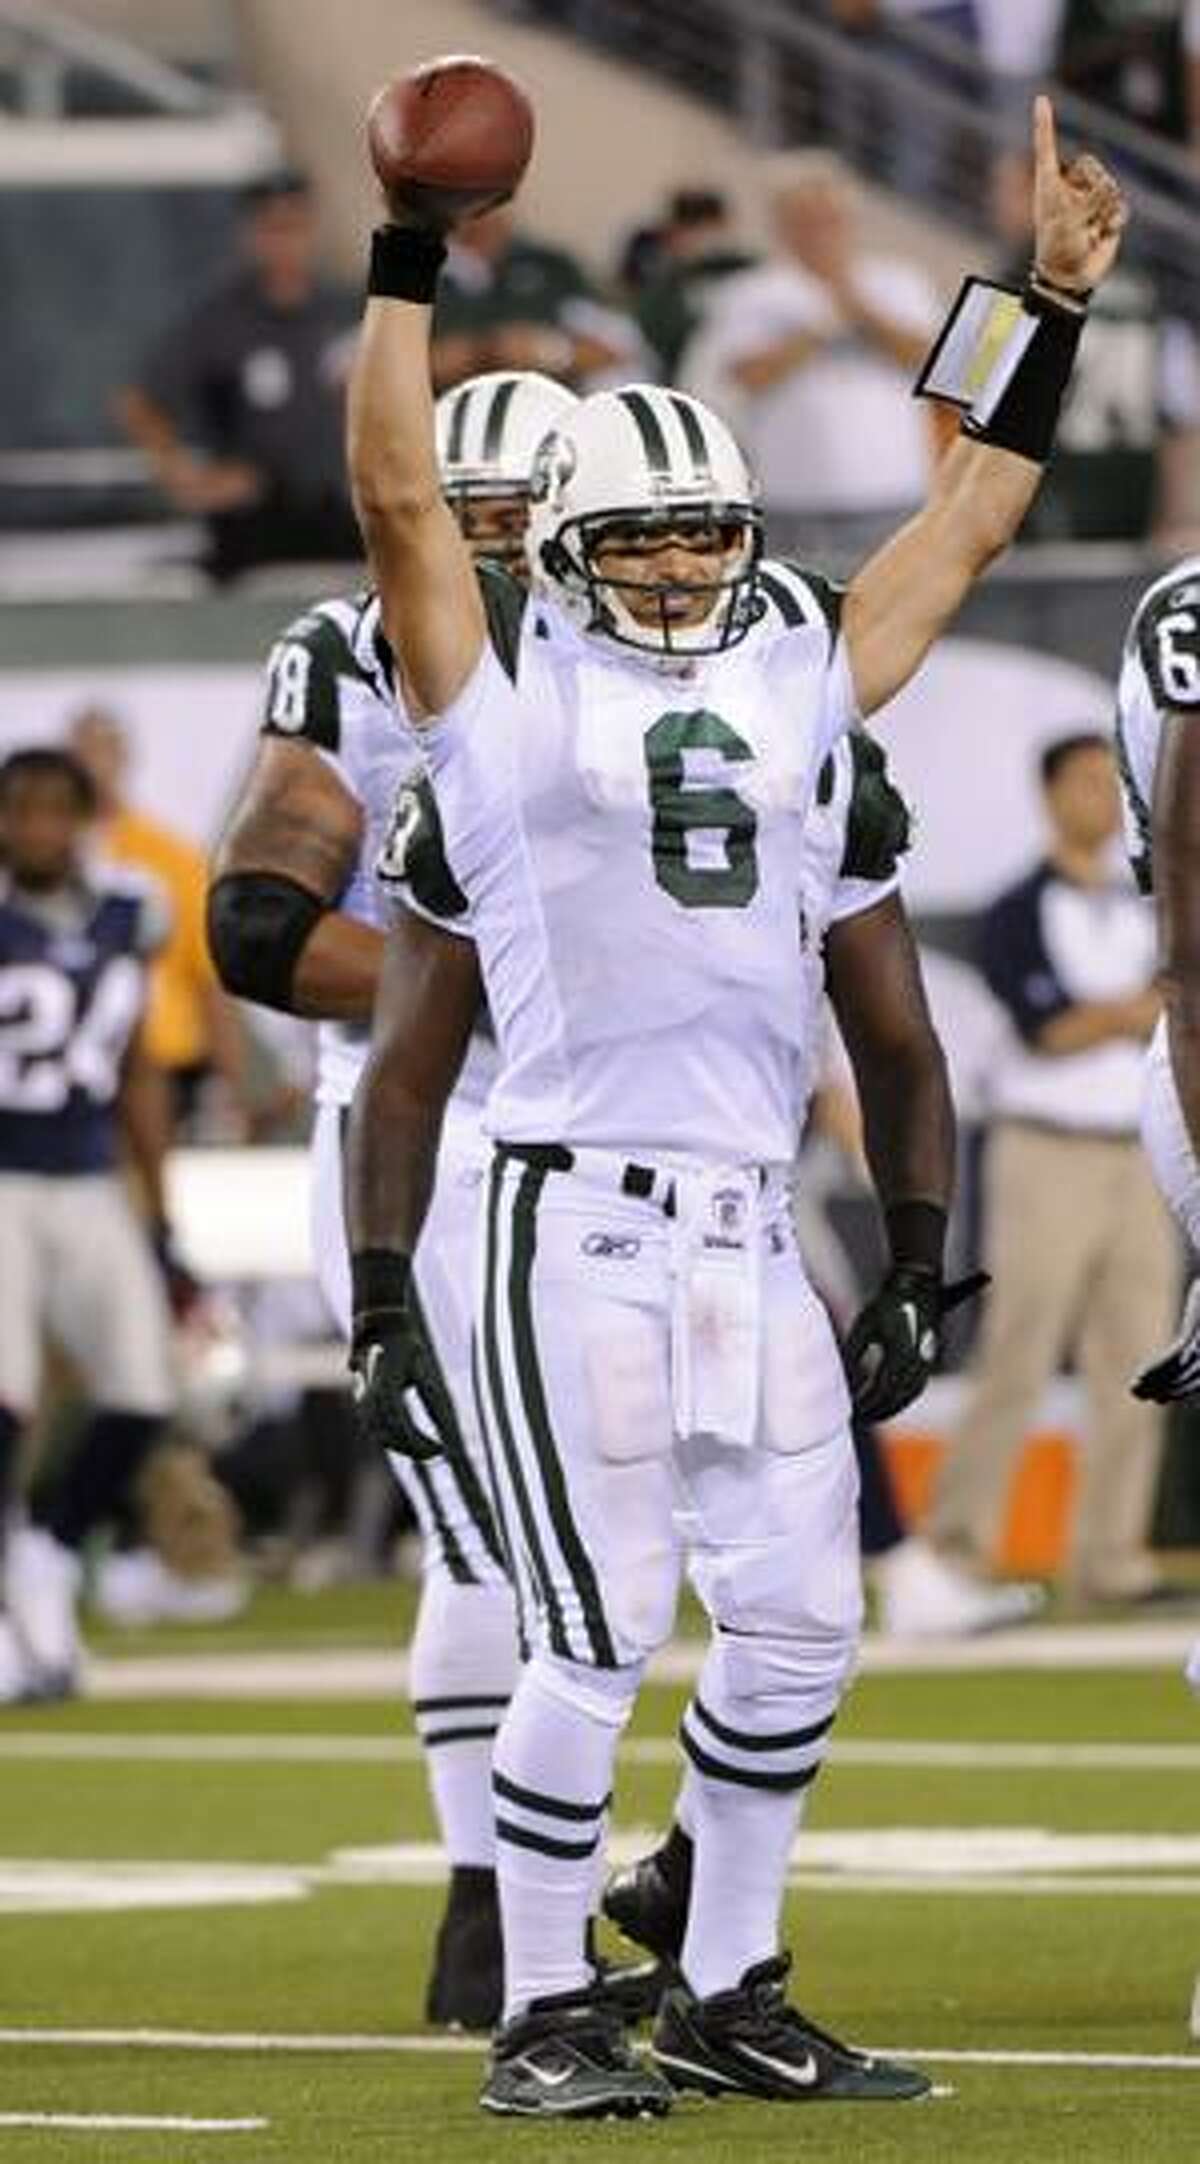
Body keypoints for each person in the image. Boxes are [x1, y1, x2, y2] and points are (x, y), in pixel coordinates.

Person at [344, 90, 1124, 2118]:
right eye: (645, 538)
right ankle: (539, 2011)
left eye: (709, 530)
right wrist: (407, 261)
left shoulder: (790, 655)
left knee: (798, 1629)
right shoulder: (496, 698)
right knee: (591, 1637)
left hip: (740, 1216)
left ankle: (725, 1973)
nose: (687, 563)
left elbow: (968, 513)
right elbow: (403, 509)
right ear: (567, 549)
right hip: (558, 1212)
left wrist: (1034, 300)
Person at [207, 371, 579, 2031]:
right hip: (419, 1144)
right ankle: (486, 1894)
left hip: (629, 1150)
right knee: (485, 1527)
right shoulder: (350, 647)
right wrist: (502, 982)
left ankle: (639, 1882)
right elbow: (261, 929)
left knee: (630, 1541)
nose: (487, 540)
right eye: (463, 504)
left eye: (519, 509)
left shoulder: (678, 649)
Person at [914, 733, 1175, 1612]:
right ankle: (959, 1546)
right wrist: (1132, 1013)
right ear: (1051, 794)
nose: (1102, 799)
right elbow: (1049, 1030)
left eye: (1114, 783)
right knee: (1018, 1349)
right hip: (1046, 1147)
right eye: (1086, 783)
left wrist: (1124, 1016)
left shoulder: (1151, 904)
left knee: (1139, 1358)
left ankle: (1110, 1558)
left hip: (1139, 1148)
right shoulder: (1018, 907)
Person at [0, 748, 177, 1702]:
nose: (35, 830)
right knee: (5, 1401)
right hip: (1, 1179)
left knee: (144, 1394)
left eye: (51, 812)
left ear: (83, 820)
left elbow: (139, 1066)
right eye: (18, 812)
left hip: (85, 1176)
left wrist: (161, 1204)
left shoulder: (129, 912)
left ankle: (50, 1553)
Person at [680, 150, 940, 562]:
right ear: (781, 226)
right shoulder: (752, 292)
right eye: (805, 221)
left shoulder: (899, 283)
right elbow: (747, 375)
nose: (820, 233)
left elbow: (932, 362)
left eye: (830, 219)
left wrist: (854, 302)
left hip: (896, 499)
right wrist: (818, 329)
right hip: (794, 507)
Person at [118, 169, 361, 582]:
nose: (286, 243)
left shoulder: (343, 312)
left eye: (295, 227)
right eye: (273, 228)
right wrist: (183, 475)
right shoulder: (220, 322)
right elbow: (141, 401)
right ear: (250, 235)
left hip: (339, 514)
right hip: (257, 524)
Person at [989, 146, 1200, 542]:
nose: (996, 205)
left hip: (1039, 504)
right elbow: (1179, 414)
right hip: (1132, 501)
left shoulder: (1016, 280)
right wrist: (1175, 515)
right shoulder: (1148, 285)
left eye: (1008, 191)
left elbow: (975, 397)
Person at [68, 706, 253, 1146]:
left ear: (124, 759)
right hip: (65, 1068)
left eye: (105, 750)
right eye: (83, 751)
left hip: (164, 1064)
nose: (95, 765)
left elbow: (209, 979)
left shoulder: (172, 859)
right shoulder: (32, 864)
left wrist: (229, 1088)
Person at [431, 205, 644, 396]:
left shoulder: (552, 266)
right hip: (448, 421)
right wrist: (485, 352)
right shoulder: (421, 267)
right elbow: (412, 367)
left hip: (549, 420)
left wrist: (548, 351)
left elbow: (617, 348)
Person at [634, 188, 757, 385]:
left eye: (709, 228)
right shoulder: (666, 284)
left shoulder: (750, 272)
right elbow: (652, 337)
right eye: (692, 228)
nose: (702, 238)